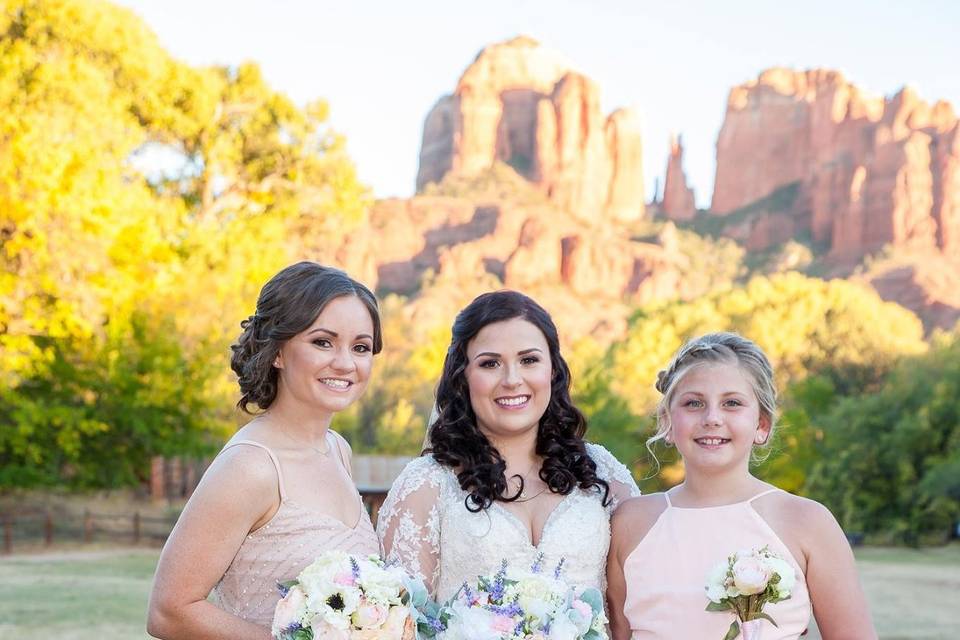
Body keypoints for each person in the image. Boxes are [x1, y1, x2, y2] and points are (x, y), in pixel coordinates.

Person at [148, 262, 383, 639]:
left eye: (360, 347)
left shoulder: (338, 450)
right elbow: (169, 611)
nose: (345, 363)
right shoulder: (251, 466)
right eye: (322, 342)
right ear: (278, 352)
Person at [606, 332, 876, 640]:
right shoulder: (631, 523)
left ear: (761, 425)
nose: (712, 418)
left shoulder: (807, 522)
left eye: (732, 403)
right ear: (667, 422)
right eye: (694, 403)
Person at [377, 290, 640, 602]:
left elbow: (640, 609)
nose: (512, 379)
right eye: (490, 364)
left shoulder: (604, 474)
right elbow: (403, 625)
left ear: (552, 369)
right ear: (463, 377)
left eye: (529, 360)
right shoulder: (426, 486)